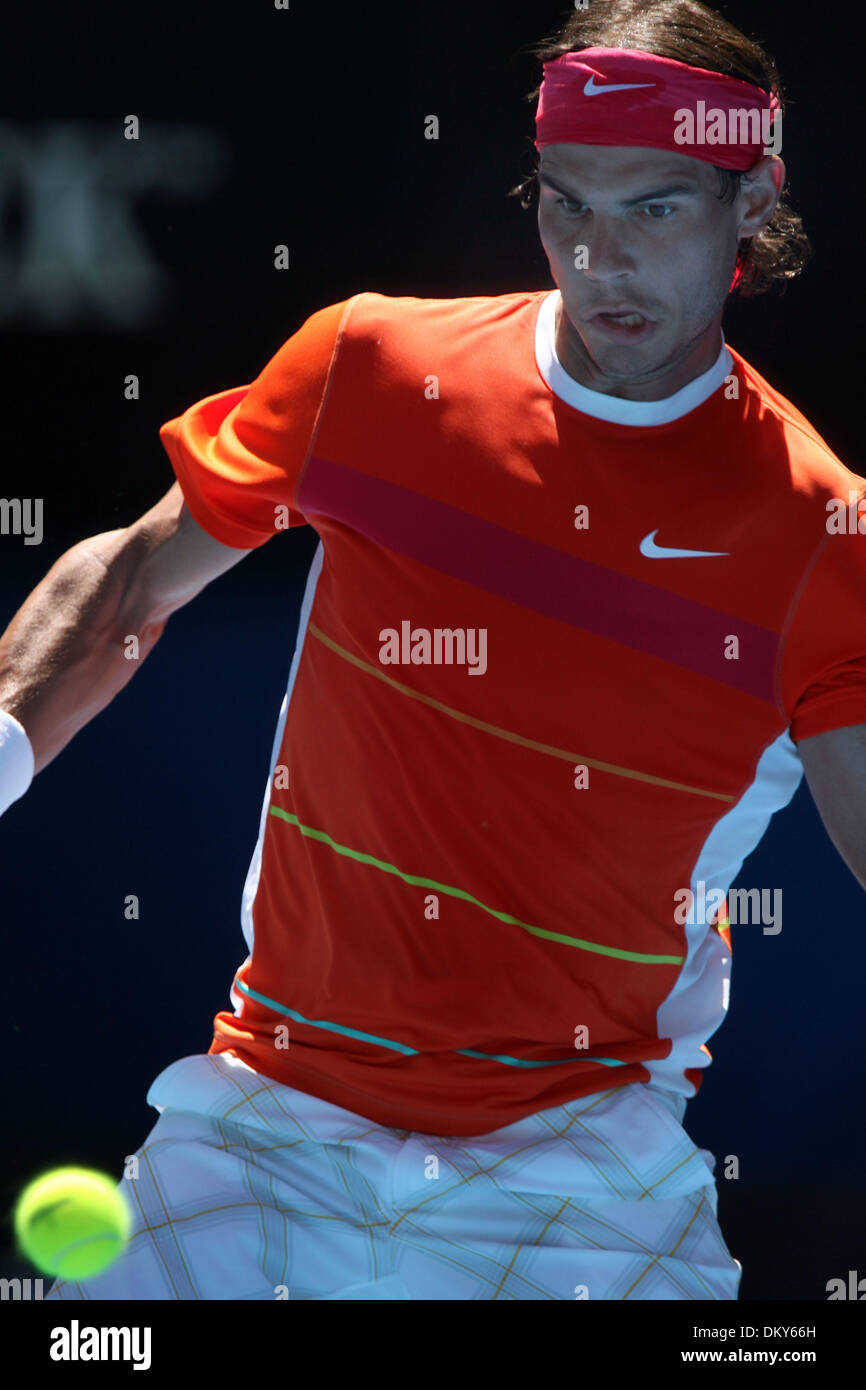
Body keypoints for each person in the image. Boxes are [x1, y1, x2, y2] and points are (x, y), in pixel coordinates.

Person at [3, 0, 864, 1300]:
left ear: (755, 201)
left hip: (589, 1183)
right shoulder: (370, 366)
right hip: (262, 1128)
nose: (598, 256)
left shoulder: (819, 534)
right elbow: (129, 576)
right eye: (566, 201)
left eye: (655, 207)